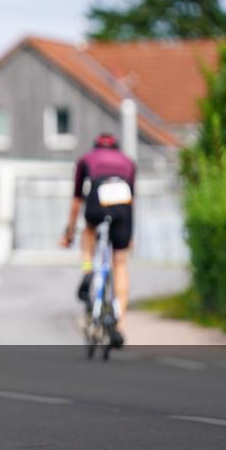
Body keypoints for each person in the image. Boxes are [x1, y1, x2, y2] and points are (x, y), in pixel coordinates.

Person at [59, 132, 135, 348]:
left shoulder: (86, 159)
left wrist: (69, 233)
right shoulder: (128, 162)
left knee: (89, 230)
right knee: (120, 263)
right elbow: (133, 202)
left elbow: (76, 202)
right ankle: (119, 325)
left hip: (97, 197)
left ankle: (87, 270)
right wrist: (130, 235)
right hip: (123, 202)